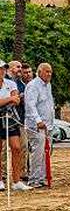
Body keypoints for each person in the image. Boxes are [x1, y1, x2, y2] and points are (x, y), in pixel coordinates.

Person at [0, 60, 32, 191]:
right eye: (0, 68)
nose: (1, 71)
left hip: (10, 117)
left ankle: (16, 180)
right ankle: (0, 180)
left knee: (17, 148)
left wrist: (7, 101)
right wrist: (9, 99)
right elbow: (11, 99)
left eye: (3, 68)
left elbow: (17, 99)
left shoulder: (10, 83)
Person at [23, 63, 54, 188]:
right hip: (37, 125)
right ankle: (34, 179)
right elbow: (30, 105)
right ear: (39, 72)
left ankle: (42, 178)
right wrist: (38, 121)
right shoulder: (33, 86)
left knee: (46, 152)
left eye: (50, 72)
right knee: (38, 152)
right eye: (47, 71)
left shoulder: (48, 85)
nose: (49, 74)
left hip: (48, 125)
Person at [6, 60, 28, 182]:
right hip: (5, 118)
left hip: (18, 119)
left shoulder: (20, 83)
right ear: (10, 68)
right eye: (18, 67)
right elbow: (12, 99)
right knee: (4, 150)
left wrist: (19, 98)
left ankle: (19, 174)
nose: (20, 69)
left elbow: (18, 101)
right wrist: (13, 98)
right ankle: (3, 175)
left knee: (20, 147)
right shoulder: (5, 81)